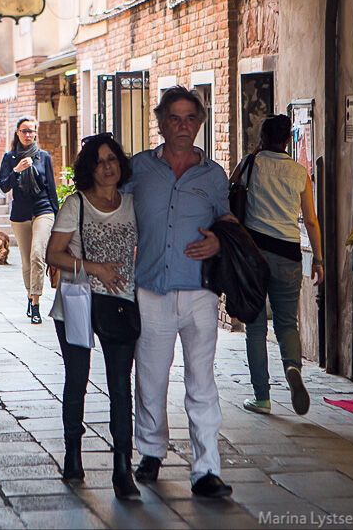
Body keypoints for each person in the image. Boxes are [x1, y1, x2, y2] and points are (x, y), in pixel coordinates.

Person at [125, 86, 235, 499]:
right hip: (151, 288)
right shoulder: (138, 169)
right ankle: (151, 450)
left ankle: (207, 470)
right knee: (150, 378)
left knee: (201, 382)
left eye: (191, 118)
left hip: (200, 293)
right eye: (175, 118)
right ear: (161, 121)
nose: (183, 126)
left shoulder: (213, 175)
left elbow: (227, 223)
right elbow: (115, 216)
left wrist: (220, 243)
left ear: (200, 123)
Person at [45, 134, 140, 500]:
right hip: (78, 304)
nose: (107, 166)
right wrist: (95, 267)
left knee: (120, 387)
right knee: (77, 380)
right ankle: (72, 453)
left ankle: (122, 468)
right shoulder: (76, 205)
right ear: (90, 168)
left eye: (112, 159)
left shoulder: (132, 204)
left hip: (121, 303)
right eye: (99, 161)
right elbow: (54, 254)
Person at [234, 115, 324, 417]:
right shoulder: (300, 172)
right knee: (287, 323)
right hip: (289, 254)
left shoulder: (251, 164)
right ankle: (293, 368)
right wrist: (319, 260)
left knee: (255, 327)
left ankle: (262, 396)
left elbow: (230, 195)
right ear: (288, 139)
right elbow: (310, 220)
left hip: (255, 254)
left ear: (263, 136)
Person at [0, 116, 59, 325]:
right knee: (26, 262)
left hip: (43, 210)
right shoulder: (10, 158)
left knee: (37, 255)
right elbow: (5, 186)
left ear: (35, 133)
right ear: (17, 133)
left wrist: (58, 216)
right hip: (21, 213)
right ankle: (29, 295)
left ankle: (35, 303)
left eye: (31, 131)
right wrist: (17, 170)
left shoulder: (44, 157)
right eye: (24, 131)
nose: (28, 135)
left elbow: (51, 188)